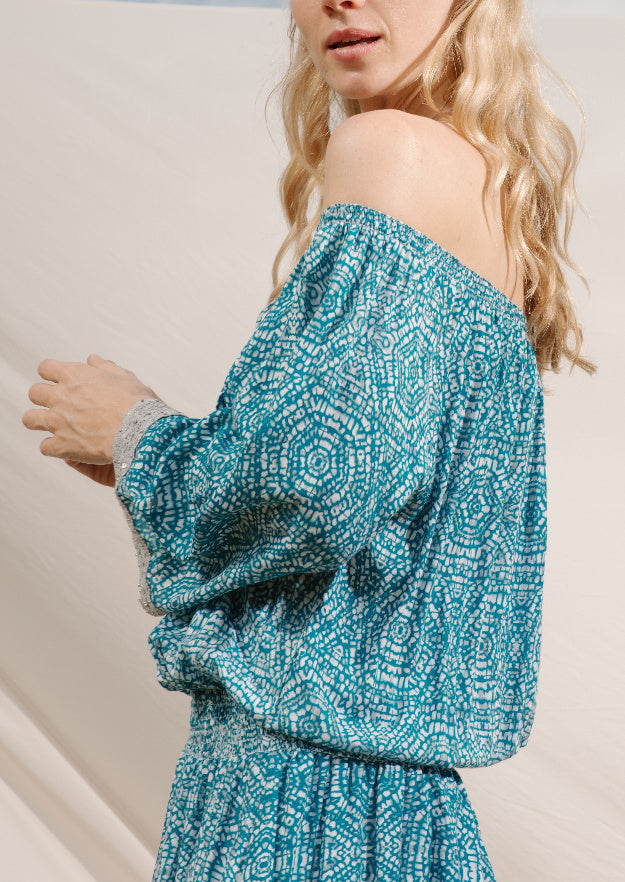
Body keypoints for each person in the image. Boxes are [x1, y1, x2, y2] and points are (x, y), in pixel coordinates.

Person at [22, 0, 596, 879]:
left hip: (295, 797)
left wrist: (138, 434)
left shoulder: (391, 152)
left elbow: (314, 481)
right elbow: (361, 496)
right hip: (393, 810)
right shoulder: (489, 198)